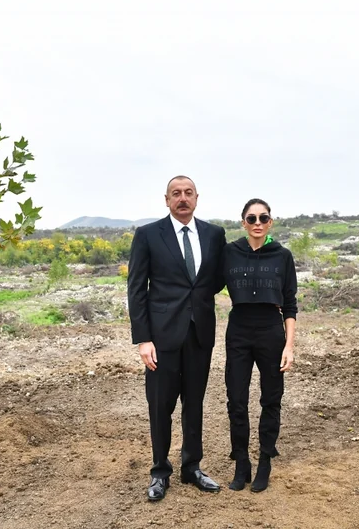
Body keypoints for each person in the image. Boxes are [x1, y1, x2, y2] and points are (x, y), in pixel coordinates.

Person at [127, 175, 227, 502]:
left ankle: (192, 467)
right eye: (176, 194)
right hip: (161, 337)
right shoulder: (147, 235)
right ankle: (159, 471)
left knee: (194, 404)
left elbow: (213, 281)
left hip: (199, 334)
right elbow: (136, 290)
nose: (182, 198)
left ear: (197, 197)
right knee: (160, 406)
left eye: (187, 193)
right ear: (166, 199)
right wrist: (143, 339)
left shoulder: (214, 235)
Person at [222, 198, 297, 493]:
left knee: (271, 399)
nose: (257, 223)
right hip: (238, 330)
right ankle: (242, 463)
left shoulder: (283, 256)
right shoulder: (229, 253)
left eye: (263, 218)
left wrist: (289, 345)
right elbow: (205, 285)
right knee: (236, 401)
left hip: (270, 331)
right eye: (251, 218)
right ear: (243, 223)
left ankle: (265, 459)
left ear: (270, 223)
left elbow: (290, 304)